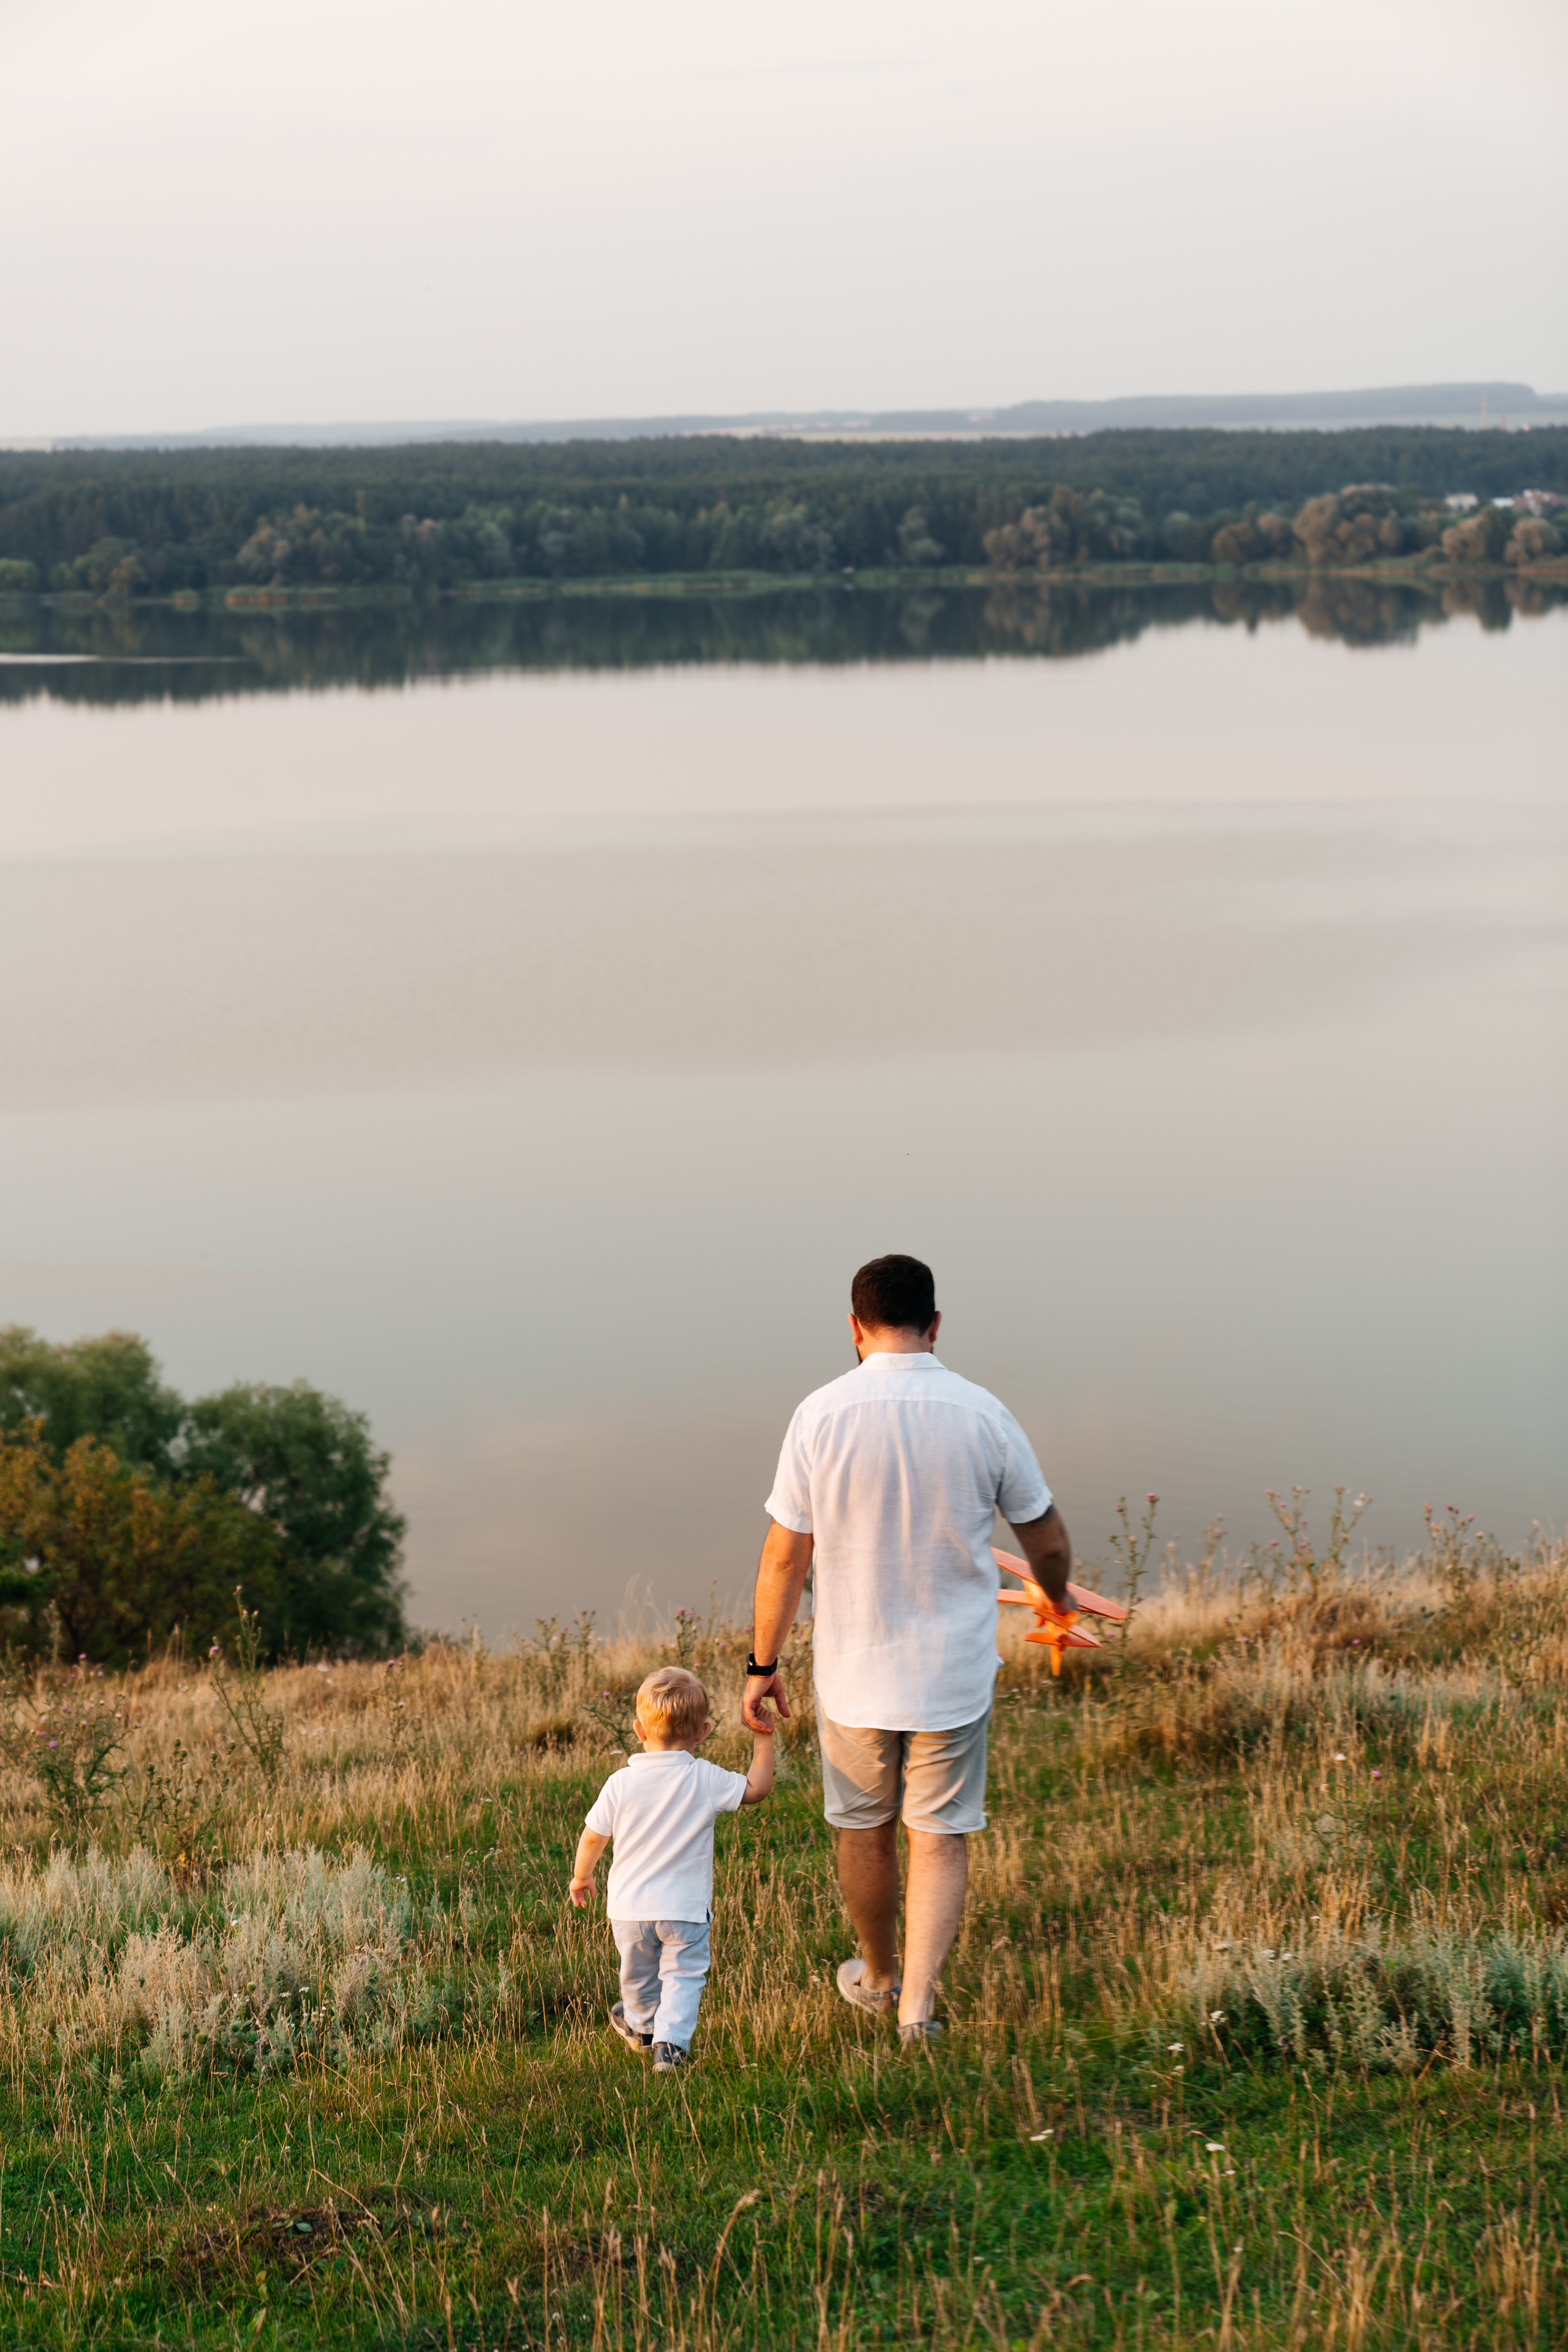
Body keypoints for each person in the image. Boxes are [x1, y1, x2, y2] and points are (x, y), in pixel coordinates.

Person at [742, 1253, 1071, 2042]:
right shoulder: (984, 1413)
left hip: (856, 1677)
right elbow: (1047, 1540)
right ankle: (919, 2009)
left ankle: (880, 1978)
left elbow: (786, 1557)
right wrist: (1054, 1600)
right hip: (952, 1676)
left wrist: (763, 1664)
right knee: (940, 1834)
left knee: (863, 1828)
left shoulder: (820, 1414)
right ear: (936, 1323)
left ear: (854, 1329)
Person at [568, 1664, 775, 2071]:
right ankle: (671, 2046)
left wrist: (582, 1875)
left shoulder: (620, 1783)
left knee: (638, 1975)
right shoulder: (704, 1777)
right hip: (685, 1909)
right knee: (683, 1976)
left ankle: (642, 2029)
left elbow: (593, 1836)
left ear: (639, 1730)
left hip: (630, 1910)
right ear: (703, 1732)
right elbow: (756, 1789)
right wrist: (763, 1738)